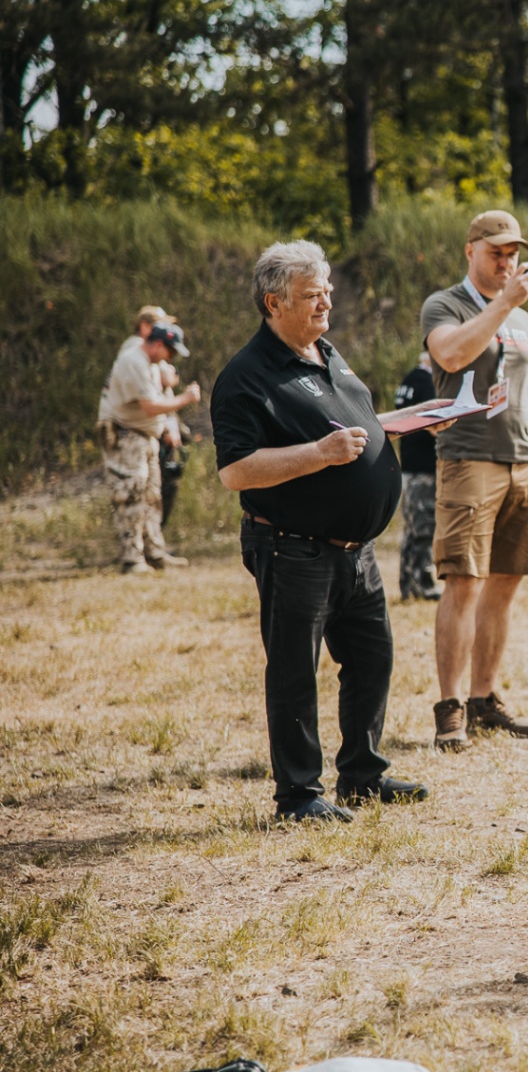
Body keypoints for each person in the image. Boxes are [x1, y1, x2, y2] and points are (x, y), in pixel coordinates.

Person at [212, 240, 428, 824]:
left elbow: (351, 423)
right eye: (312, 294)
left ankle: (363, 775)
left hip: (357, 551)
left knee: (371, 660)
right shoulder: (246, 377)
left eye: (327, 289)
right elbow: (235, 470)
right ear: (273, 303)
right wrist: (321, 453)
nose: (326, 301)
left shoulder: (327, 353)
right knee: (294, 672)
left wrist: (388, 432)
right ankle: (299, 795)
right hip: (293, 547)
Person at [420, 210, 528, 752]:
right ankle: (451, 708)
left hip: (524, 462)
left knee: (505, 583)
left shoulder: (527, 321)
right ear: (471, 251)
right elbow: (451, 353)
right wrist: (503, 303)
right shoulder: (445, 305)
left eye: (513, 254)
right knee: (463, 581)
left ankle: (485, 700)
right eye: (496, 253)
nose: (506, 262)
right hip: (470, 461)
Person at [100, 322, 200, 573]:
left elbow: (155, 402)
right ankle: (132, 559)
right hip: (127, 437)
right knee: (131, 496)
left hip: (145, 436)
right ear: (158, 344)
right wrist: (184, 400)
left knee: (152, 497)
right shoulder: (134, 361)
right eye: (171, 351)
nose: (172, 358)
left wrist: (166, 429)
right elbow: (150, 406)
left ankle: (154, 553)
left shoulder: (151, 364)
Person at [393, 352, 442, 601]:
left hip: (410, 465)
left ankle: (408, 584)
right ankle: (423, 584)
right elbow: (436, 424)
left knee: (413, 529)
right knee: (423, 528)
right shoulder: (426, 383)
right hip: (423, 467)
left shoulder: (409, 380)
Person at [155, 359, 190, 527]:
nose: (175, 375)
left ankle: (158, 532)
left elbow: (172, 416)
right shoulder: (153, 375)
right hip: (156, 447)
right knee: (156, 491)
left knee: (170, 487)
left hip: (169, 450)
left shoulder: (167, 391)